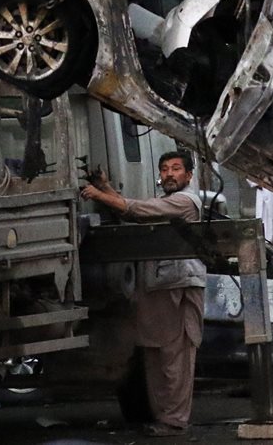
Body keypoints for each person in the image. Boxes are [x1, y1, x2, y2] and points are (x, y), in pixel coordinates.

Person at [81, 152, 205, 438]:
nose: (169, 174)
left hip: (178, 286)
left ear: (188, 175)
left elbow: (138, 210)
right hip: (157, 285)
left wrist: (99, 194)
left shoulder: (186, 201)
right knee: (155, 355)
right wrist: (106, 188)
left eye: (176, 169)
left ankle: (174, 420)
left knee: (175, 358)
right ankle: (164, 418)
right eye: (165, 169)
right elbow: (134, 212)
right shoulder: (163, 200)